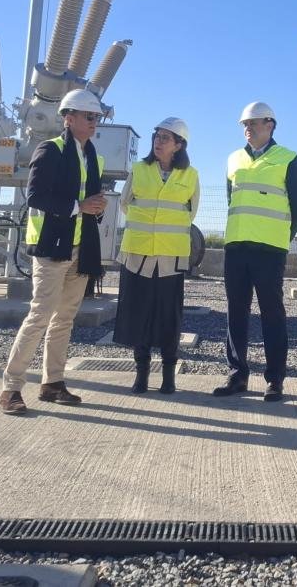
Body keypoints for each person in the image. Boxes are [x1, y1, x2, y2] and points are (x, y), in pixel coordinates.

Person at [0, 88, 107, 415]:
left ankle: (53, 383)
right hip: (51, 248)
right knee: (41, 315)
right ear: (68, 118)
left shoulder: (92, 156)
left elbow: (91, 201)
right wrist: (79, 206)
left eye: (96, 117)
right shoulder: (50, 150)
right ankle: (11, 387)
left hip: (79, 247)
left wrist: (96, 209)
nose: (94, 122)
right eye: (89, 116)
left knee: (65, 318)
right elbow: (36, 197)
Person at [214, 101, 297, 401]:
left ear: (270, 125)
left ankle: (275, 380)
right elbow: (233, 200)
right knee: (236, 313)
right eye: (245, 124)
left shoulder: (289, 159)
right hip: (237, 247)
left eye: (253, 123)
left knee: (272, 314)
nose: (248, 128)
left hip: (269, 250)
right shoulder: (233, 160)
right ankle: (237, 375)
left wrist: (281, 235)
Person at [114, 117, 200, 395]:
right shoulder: (139, 169)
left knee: (168, 318)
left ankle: (168, 377)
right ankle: (140, 375)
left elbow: (191, 212)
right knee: (139, 316)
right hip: (138, 254)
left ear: (179, 145)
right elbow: (125, 203)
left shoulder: (191, 176)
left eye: (166, 137)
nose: (158, 141)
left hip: (169, 259)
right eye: (157, 136)